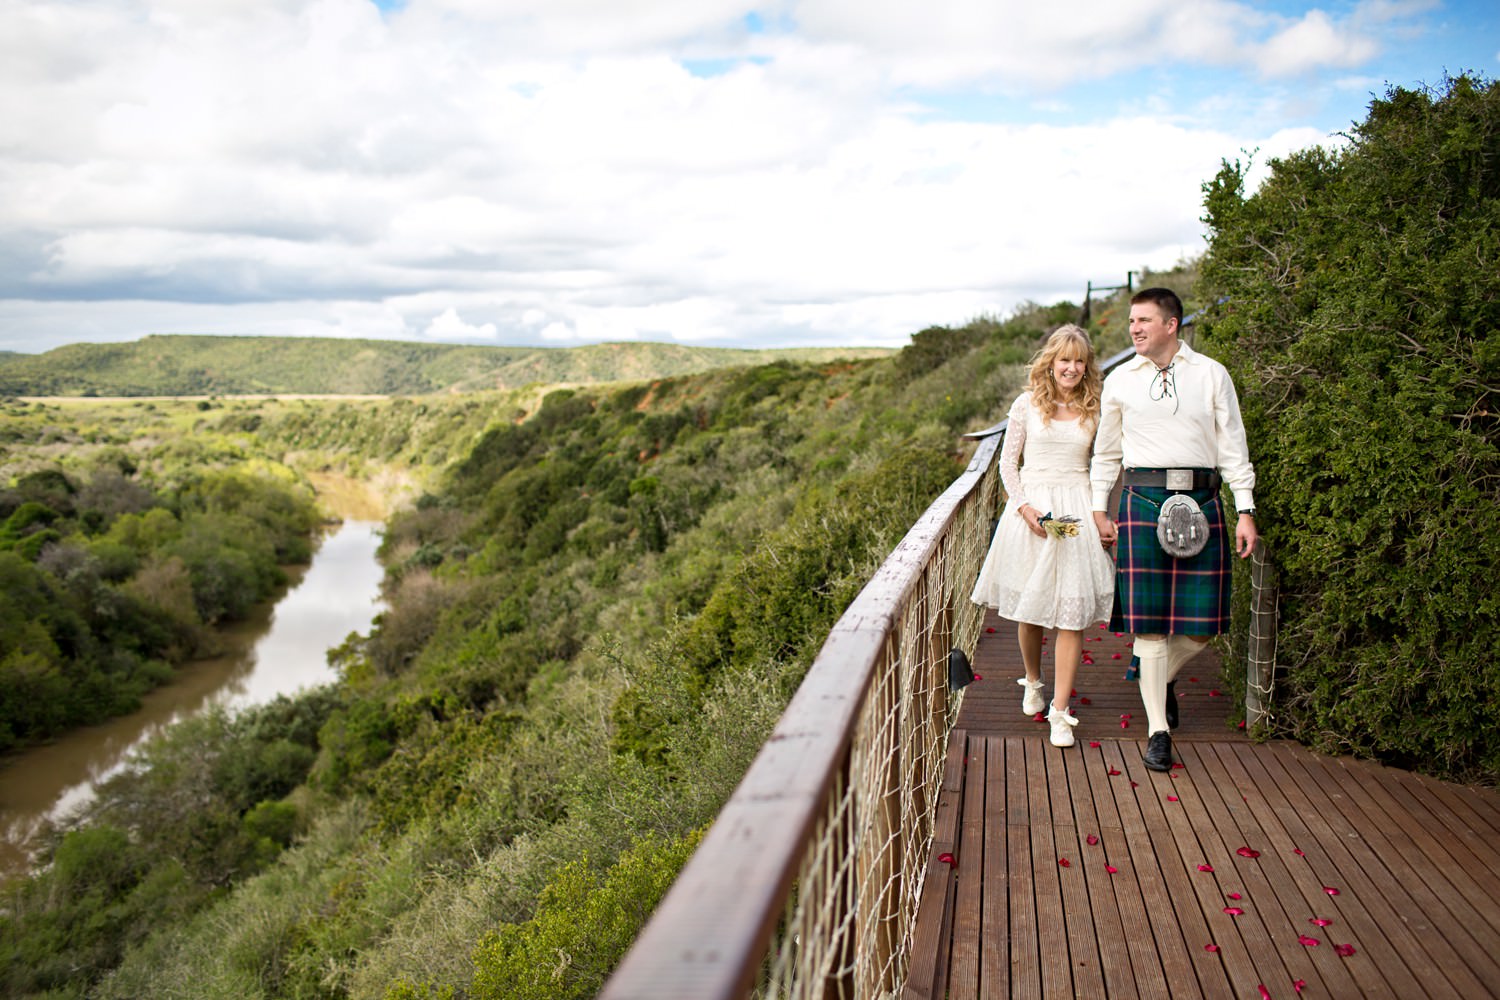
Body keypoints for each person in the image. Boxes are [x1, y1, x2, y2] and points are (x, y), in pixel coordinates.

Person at [1089, 287, 1258, 771]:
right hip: (1141, 499)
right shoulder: (1121, 381)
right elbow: (1106, 453)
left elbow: (1233, 448)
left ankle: (1157, 677)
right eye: (1131, 322)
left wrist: (1244, 508)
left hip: (1203, 500)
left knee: (1205, 628)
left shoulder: (1211, 375)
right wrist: (1100, 508)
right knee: (1149, 627)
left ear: (1171, 324)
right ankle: (1157, 730)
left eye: (1143, 320)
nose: (1134, 329)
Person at [971, 324, 1117, 748]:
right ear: (1050, 363)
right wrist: (1025, 508)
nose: (1071, 368)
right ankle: (1032, 681)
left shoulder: (1096, 408)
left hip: (1076, 510)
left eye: (1079, 361)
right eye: (1064, 360)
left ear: (1086, 367)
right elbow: (1007, 465)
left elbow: (1107, 464)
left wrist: (1101, 512)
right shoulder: (1026, 405)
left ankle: (1060, 710)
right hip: (1033, 509)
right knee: (1032, 613)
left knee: (1071, 617)